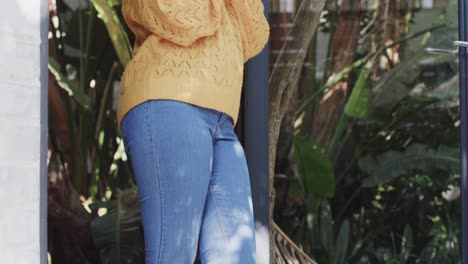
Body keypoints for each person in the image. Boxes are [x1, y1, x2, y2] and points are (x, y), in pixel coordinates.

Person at [117, 0, 270, 263]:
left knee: (238, 257)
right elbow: (183, 18)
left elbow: (254, 33)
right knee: (173, 255)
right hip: (169, 98)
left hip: (222, 117)